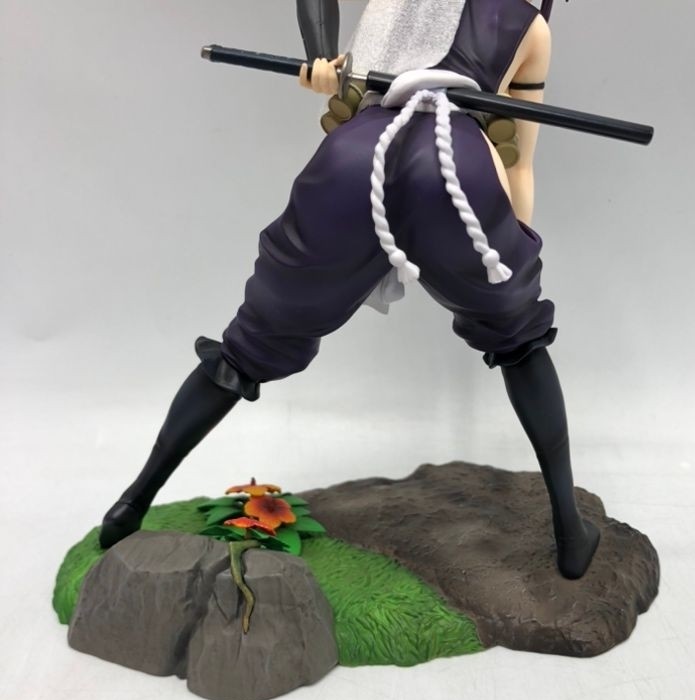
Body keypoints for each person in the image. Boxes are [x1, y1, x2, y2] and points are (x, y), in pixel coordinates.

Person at [99, 0, 600, 579]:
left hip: (353, 159)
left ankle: (132, 501)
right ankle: (569, 530)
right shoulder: (529, 25)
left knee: (246, 349)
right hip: (457, 167)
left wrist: (322, 60)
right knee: (520, 343)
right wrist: (513, 258)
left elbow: (345, 76)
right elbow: (521, 164)